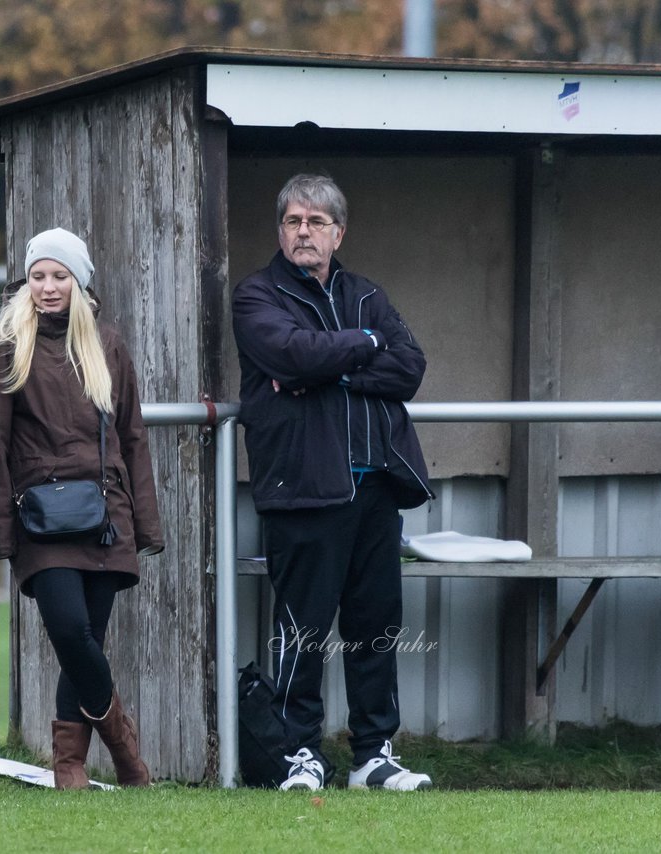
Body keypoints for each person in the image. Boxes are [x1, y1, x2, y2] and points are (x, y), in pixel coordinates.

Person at [232, 173, 434, 791]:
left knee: (375, 627)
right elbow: (290, 353)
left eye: (317, 223)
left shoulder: (367, 295)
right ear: (280, 230)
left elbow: (409, 367)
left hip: (376, 487)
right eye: (293, 221)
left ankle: (373, 755)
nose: (304, 232)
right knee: (303, 630)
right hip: (304, 488)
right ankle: (301, 756)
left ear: (338, 232)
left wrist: (336, 368)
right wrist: (358, 349)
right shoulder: (256, 295)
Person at [0, 227, 163, 789]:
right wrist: (1, 534)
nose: (48, 287)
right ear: (25, 282)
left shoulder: (108, 345)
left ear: (79, 283)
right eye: (38, 276)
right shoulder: (3, 350)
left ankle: (70, 766)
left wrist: (145, 523)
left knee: (86, 646)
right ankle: (126, 752)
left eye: (59, 277)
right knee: (72, 632)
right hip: (41, 520)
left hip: (106, 517)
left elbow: (133, 438)